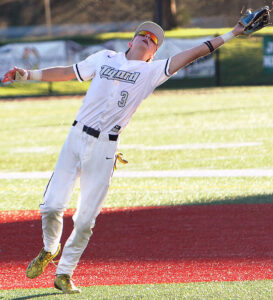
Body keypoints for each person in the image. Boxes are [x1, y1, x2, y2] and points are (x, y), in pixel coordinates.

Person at [3, 21, 245, 294]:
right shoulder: (104, 57)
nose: (147, 37)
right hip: (76, 138)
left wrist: (233, 33)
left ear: (153, 53)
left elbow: (194, 52)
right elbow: (67, 72)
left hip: (105, 148)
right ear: (130, 42)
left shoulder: (152, 70)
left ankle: (65, 272)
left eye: (153, 39)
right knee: (50, 206)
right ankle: (50, 248)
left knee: (84, 220)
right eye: (142, 34)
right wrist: (27, 76)